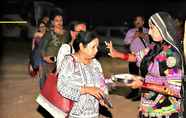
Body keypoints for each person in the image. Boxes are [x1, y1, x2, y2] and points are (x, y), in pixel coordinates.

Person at [106, 12, 184, 118]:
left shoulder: (171, 56)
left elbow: (174, 90)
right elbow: (137, 57)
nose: (150, 33)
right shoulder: (156, 47)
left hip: (164, 110)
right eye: (149, 28)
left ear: (163, 29)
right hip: (149, 104)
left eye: (152, 28)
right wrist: (116, 54)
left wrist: (143, 84)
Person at [57, 31, 110, 118]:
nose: (96, 50)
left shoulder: (96, 64)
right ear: (81, 46)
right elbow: (61, 87)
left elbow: (102, 84)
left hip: (94, 114)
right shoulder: (69, 62)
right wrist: (86, 90)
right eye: (93, 47)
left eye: (97, 47)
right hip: (76, 115)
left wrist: (103, 96)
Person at [39, 11, 68, 89]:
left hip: (61, 63)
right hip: (49, 63)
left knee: (59, 85)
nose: (59, 22)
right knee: (47, 85)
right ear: (52, 22)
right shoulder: (49, 34)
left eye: (61, 20)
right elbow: (42, 47)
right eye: (57, 20)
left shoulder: (66, 34)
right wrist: (45, 58)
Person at [124, 16, 150, 101]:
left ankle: (143, 94)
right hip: (133, 57)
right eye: (136, 20)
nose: (137, 22)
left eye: (139, 20)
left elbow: (152, 43)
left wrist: (144, 36)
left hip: (145, 57)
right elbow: (126, 42)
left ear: (143, 22)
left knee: (144, 76)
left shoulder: (148, 30)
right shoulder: (130, 31)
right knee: (133, 75)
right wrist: (134, 36)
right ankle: (134, 92)